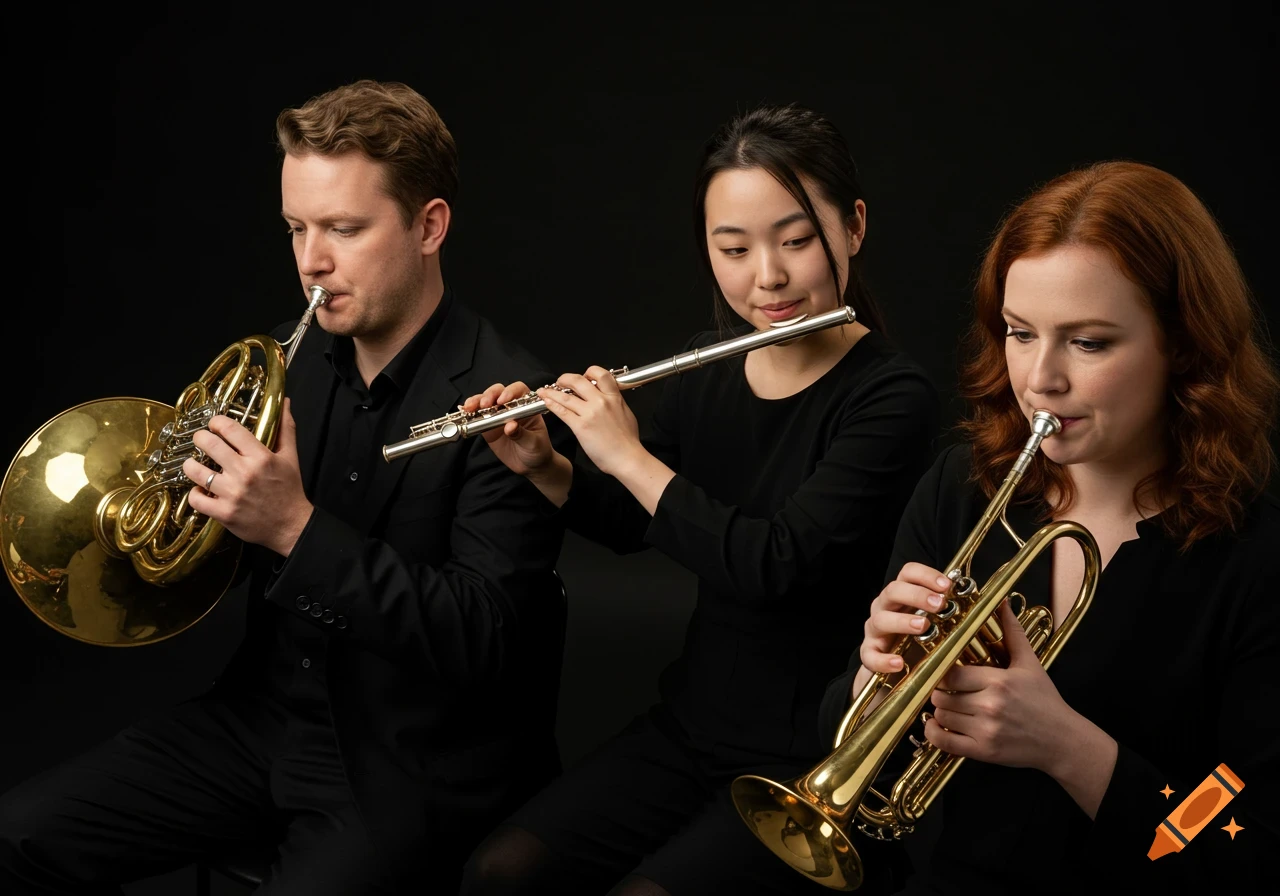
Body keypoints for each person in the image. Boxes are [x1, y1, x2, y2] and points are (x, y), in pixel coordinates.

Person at [0, 79, 571, 894]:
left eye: (344, 228)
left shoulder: (508, 402)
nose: (311, 261)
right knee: (18, 835)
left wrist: (295, 529)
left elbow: (483, 639)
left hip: (404, 762)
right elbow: (205, 555)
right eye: (297, 228)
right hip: (256, 724)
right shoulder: (280, 363)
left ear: (429, 226)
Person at [459, 103, 941, 895]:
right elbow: (629, 524)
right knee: (501, 871)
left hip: (811, 755)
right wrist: (547, 464)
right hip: (693, 727)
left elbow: (773, 565)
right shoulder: (708, 367)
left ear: (853, 227)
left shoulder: (890, 399)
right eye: (733, 248)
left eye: (795, 240)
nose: (768, 277)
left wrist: (626, 455)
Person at [819, 160, 1279, 893]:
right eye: (1020, 332)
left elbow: (1248, 846)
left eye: (1089, 342)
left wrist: (1069, 748)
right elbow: (847, 747)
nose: (1039, 378)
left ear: (1184, 347)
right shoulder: (964, 488)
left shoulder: (1253, 556)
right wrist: (875, 677)